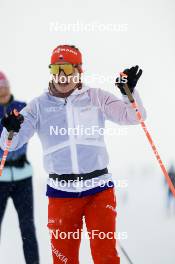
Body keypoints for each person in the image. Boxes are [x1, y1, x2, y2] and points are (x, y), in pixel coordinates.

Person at [0, 45, 146, 264]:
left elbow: (135, 117)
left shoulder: (96, 97)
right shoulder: (38, 106)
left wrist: (129, 94)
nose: (61, 76)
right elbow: (9, 144)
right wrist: (10, 129)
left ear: (79, 70)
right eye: (55, 69)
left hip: (99, 190)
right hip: (61, 194)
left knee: (105, 255)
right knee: (64, 259)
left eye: (67, 68)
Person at [0, 72, 39, 264]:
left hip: (23, 176)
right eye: (0, 86)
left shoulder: (21, 107)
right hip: (0, 178)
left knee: (27, 228)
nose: (3, 89)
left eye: (5, 84)